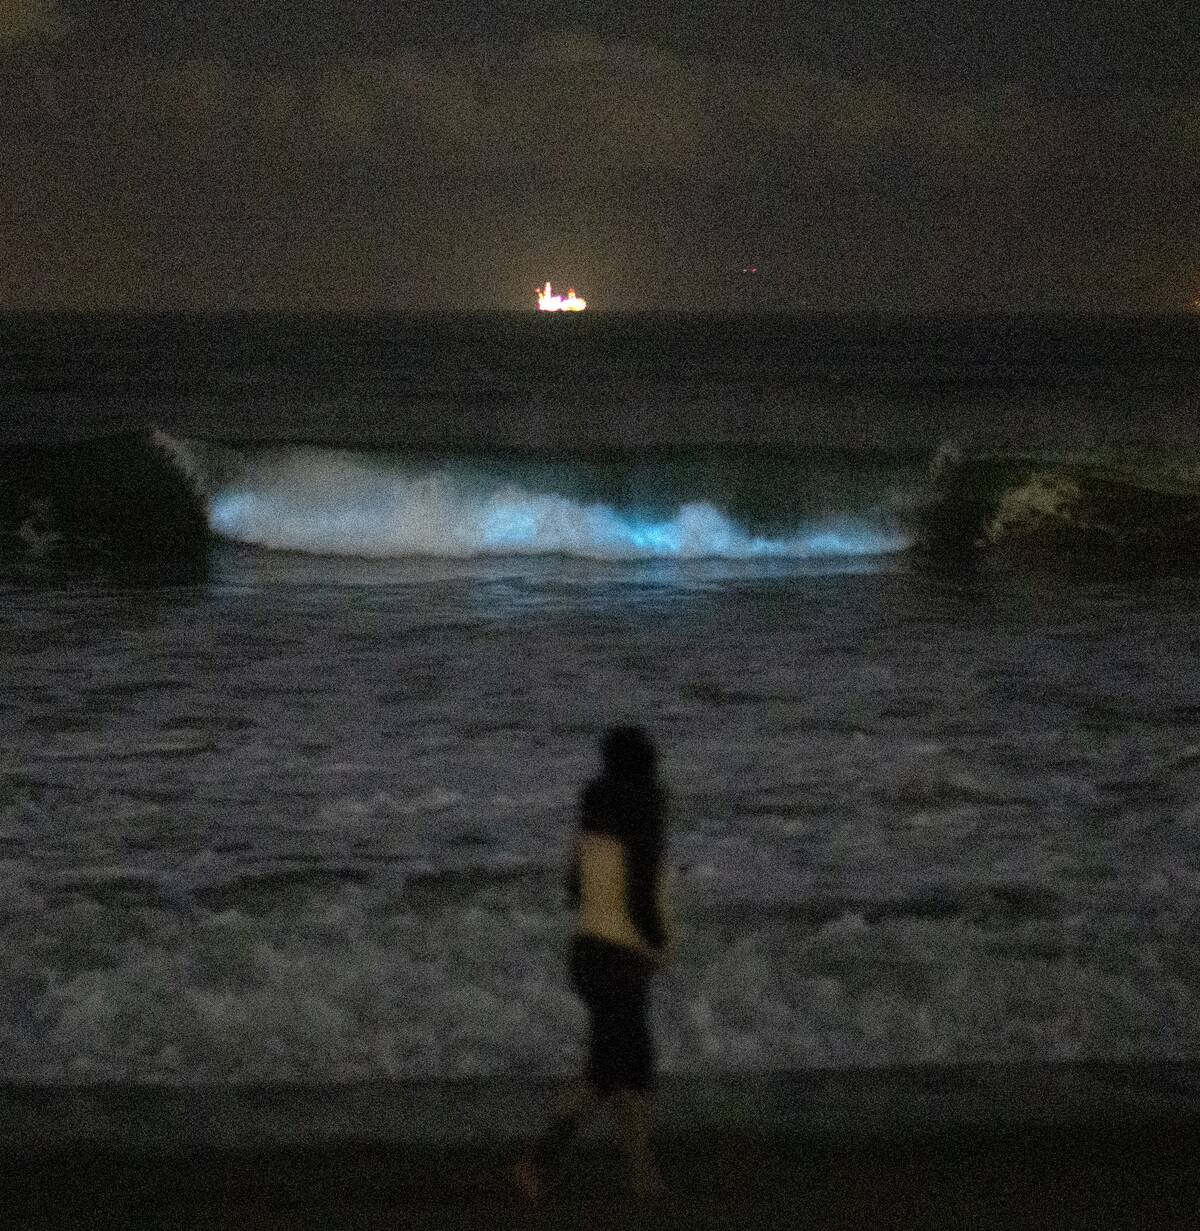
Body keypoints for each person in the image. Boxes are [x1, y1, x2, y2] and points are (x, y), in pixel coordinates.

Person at [514, 724, 674, 1209]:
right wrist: (658, 945)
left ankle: (642, 1175)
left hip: (586, 955)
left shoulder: (589, 835)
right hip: (622, 959)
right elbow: (643, 899)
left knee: (625, 1065)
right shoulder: (642, 831)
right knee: (615, 1070)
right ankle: (537, 1165)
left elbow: (573, 891)